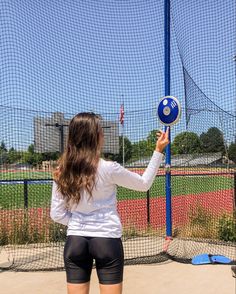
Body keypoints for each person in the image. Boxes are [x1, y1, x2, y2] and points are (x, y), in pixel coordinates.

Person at [50, 112, 169, 294]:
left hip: (75, 242)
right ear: (94, 136)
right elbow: (144, 184)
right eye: (100, 131)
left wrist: (78, 222)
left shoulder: (61, 170)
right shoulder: (108, 168)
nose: (103, 135)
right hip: (107, 240)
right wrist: (158, 151)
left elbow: (56, 214)